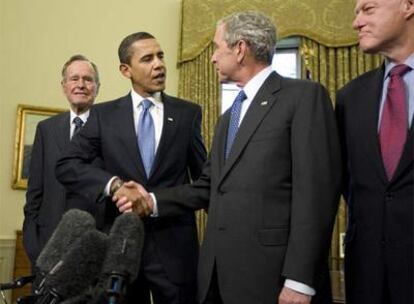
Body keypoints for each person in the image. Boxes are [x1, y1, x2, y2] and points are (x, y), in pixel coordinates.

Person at [115, 11, 342, 304]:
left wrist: (301, 280)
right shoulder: (228, 117)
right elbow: (209, 186)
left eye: (217, 47)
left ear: (240, 49)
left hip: (273, 277)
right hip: (217, 276)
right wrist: (151, 201)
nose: (212, 57)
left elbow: (316, 194)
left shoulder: (303, 97)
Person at [56, 32, 207, 304]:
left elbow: (204, 183)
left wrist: (155, 201)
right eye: (147, 59)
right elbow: (67, 164)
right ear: (126, 70)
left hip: (175, 253)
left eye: (160, 56)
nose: (159, 64)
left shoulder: (188, 114)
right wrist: (114, 185)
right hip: (120, 253)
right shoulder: (103, 115)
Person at [335, 0, 414, 303]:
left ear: (407, 6)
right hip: (367, 277)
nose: (356, 22)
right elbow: (347, 181)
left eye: (368, 9)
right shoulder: (349, 97)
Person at [23, 54, 100, 266]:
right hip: (47, 247)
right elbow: (34, 194)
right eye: (74, 79)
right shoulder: (46, 130)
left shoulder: (110, 129)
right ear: (64, 86)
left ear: (97, 87)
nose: (81, 85)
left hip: (92, 247)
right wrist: (33, 244)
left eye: (88, 79)